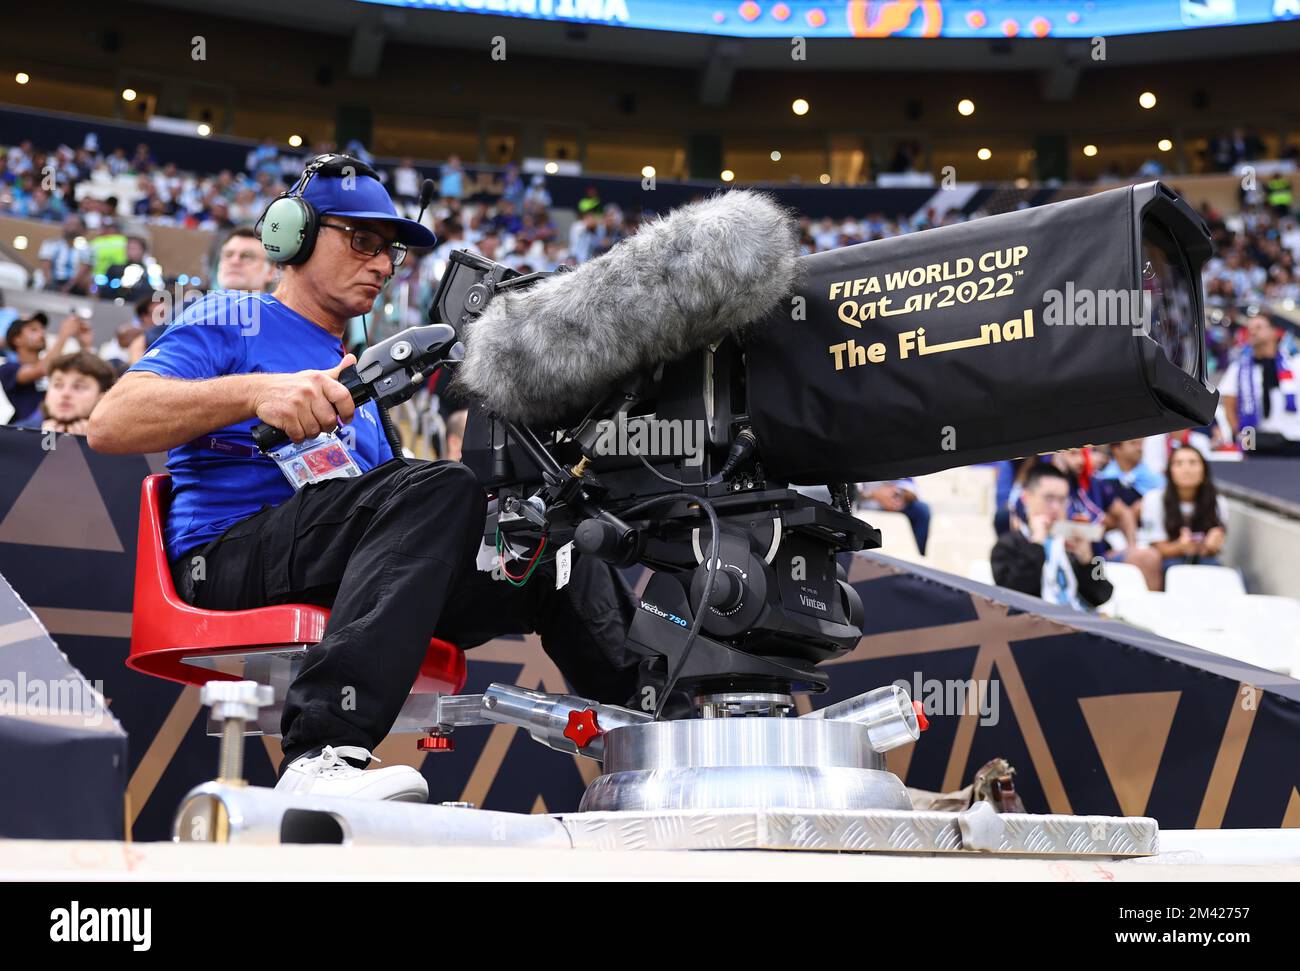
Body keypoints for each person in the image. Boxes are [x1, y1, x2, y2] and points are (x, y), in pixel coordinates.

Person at [88, 155, 640, 804]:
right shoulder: (232, 315)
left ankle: (653, 736)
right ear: (291, 235)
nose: (382, 264)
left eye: (391, 253)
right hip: (230, 554)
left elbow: (390, 519)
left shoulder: (359, 374)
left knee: (550, 545)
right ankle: (321, 753)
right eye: (363, 241)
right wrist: (257, 391)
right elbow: (110, 422)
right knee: (440, 484)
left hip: (338, 563)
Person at [991, 464, 1113, 611]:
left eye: (1062, 500)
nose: (1056, 507)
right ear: (1026, 497)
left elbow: (1103, 594)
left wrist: (1088, 560)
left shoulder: (1073, 542)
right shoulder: (1008, 544)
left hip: (1080, 624)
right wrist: (1036, 545)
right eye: (1048, 499)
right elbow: (1011, 595)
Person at [1138, 444, 1229, 574]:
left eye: (1193, 463)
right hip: (1166, 560)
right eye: (1179, 463)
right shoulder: (1154, 499)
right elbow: (1156, 547)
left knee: (1215, 569)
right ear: (1170, 471)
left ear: (1204, 470)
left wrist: (1211, 545)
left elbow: (1214, 549)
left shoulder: (1218, 503)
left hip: (1205, 559)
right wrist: (1180, 547)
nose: (1186, 469)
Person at [1219, 314, 1300, 456]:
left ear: (1274, 332)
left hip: (1293, 439)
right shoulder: (1238, 368)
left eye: (1259, 327)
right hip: (1255, 442)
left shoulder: (1294, 364)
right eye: (1249, 329)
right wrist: (1241, 437)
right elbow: (1229, 407)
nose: (1253, 332)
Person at [2, 313, 91, 425]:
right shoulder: (8, 369)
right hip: (26, 431)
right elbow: (41, 369)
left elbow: (88, 377)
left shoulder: (54, 365)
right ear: (17, 339)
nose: (42, 333)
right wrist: (64, 335)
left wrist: (85, 345)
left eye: (42, 329)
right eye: (34, 330)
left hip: (55, 427)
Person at [13, 351, 115, 433]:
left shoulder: (117, 445)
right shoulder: (14, 435)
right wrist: (40, 442)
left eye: (79, 387)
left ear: (101, 397)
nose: (65, 394)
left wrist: (86, 447)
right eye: (58, 385)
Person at [856, 479, 930, 555]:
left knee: (921, 509)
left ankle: (920, 555)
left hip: (894, 496)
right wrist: (874, 495)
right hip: (864, 501)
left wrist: (902, 494)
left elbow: (909, 481)